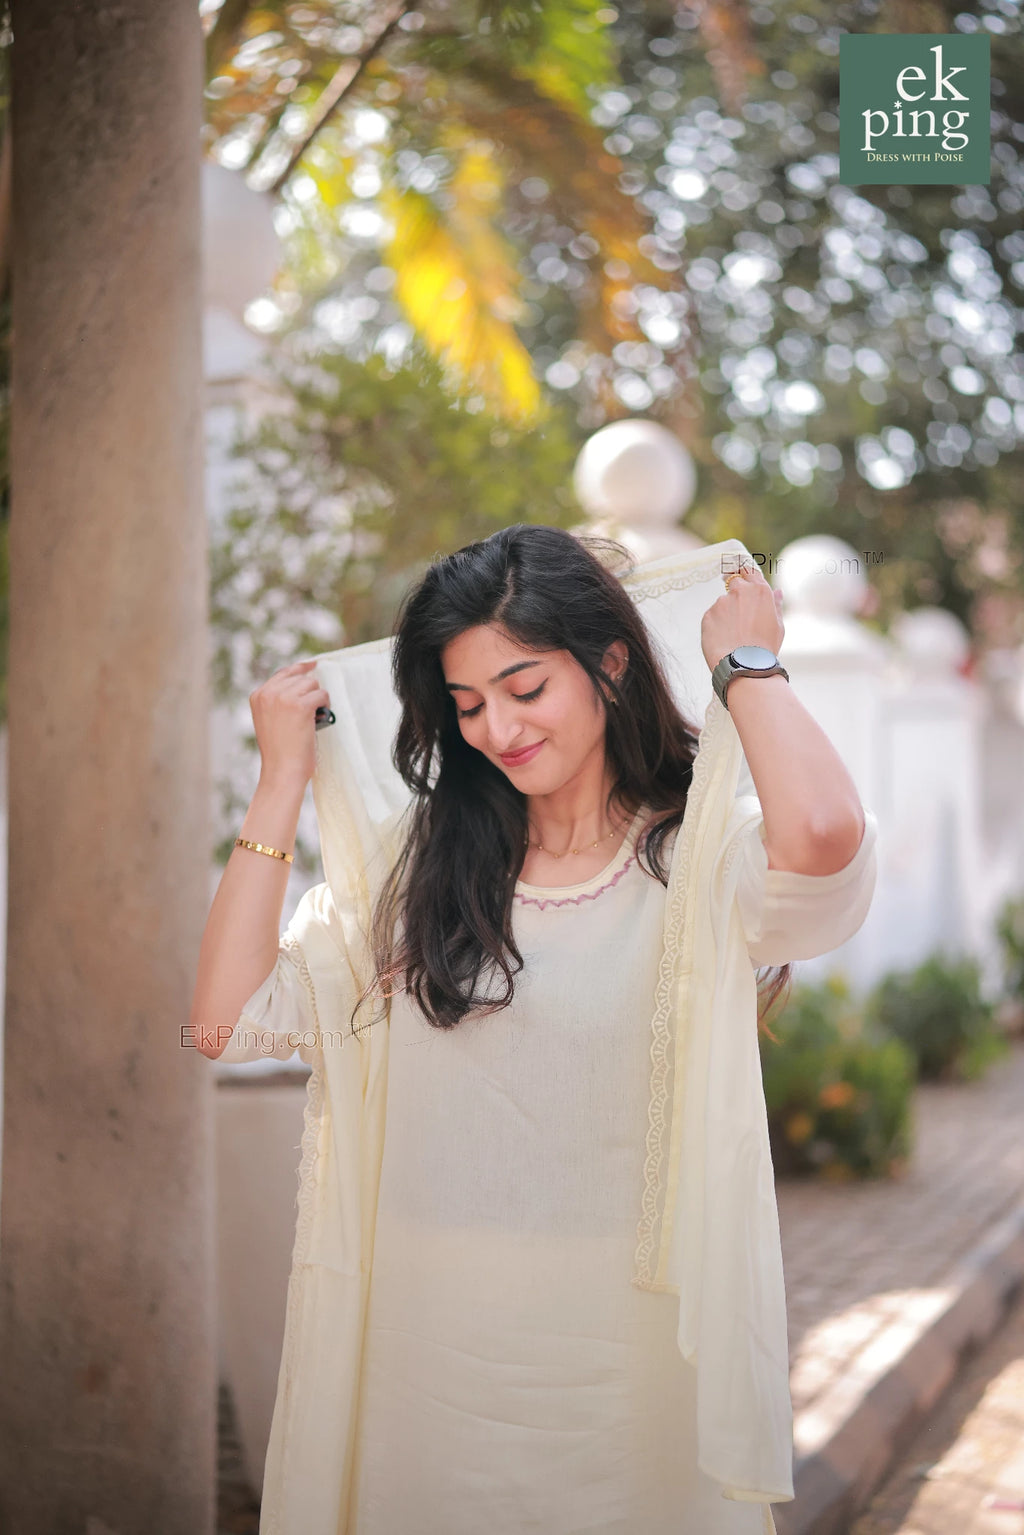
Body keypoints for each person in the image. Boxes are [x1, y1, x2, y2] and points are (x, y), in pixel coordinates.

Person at [191, 525, 878, 1535]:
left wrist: (748, 663)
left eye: (524, 688)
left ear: (607, 662)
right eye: (466, 704)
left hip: (622, 1366)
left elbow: (820, 838)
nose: (496, 729)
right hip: (427, 1355)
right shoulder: (413, 871)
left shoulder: (693, 865)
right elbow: (224, 1017)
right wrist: (280, 779)